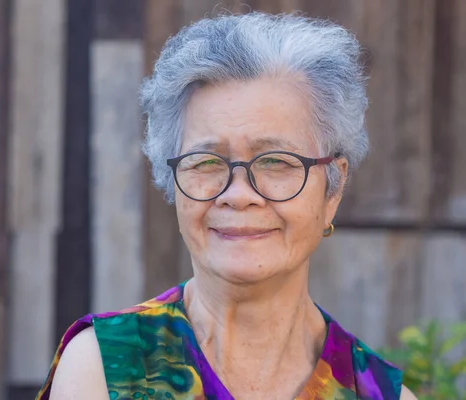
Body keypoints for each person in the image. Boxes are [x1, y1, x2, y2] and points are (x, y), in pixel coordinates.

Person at [38, 12, 418, 400]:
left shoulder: (380, 395)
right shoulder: (104, 368)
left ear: (332, 190)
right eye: (206, 162)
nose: (238, 194)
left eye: (276, 162)